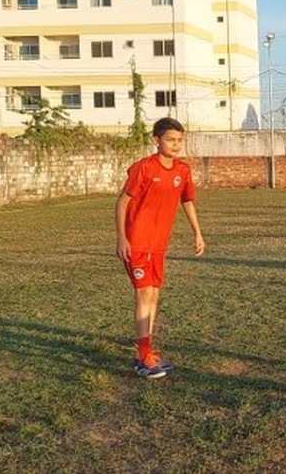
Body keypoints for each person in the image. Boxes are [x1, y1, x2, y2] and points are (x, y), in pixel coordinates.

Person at [115, 117, 205, 379]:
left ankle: (146, 351)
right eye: (170, 140)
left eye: (179, 140)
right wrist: (122, 238)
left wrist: (197, 233)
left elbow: (187, 201)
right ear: (156, 140)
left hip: (158, 245)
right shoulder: (143, 168)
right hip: (138, 242)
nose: (176, 145)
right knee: (144, 296)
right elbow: (122, 202)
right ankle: (143, 358)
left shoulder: (182, 171)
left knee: (153, 296)